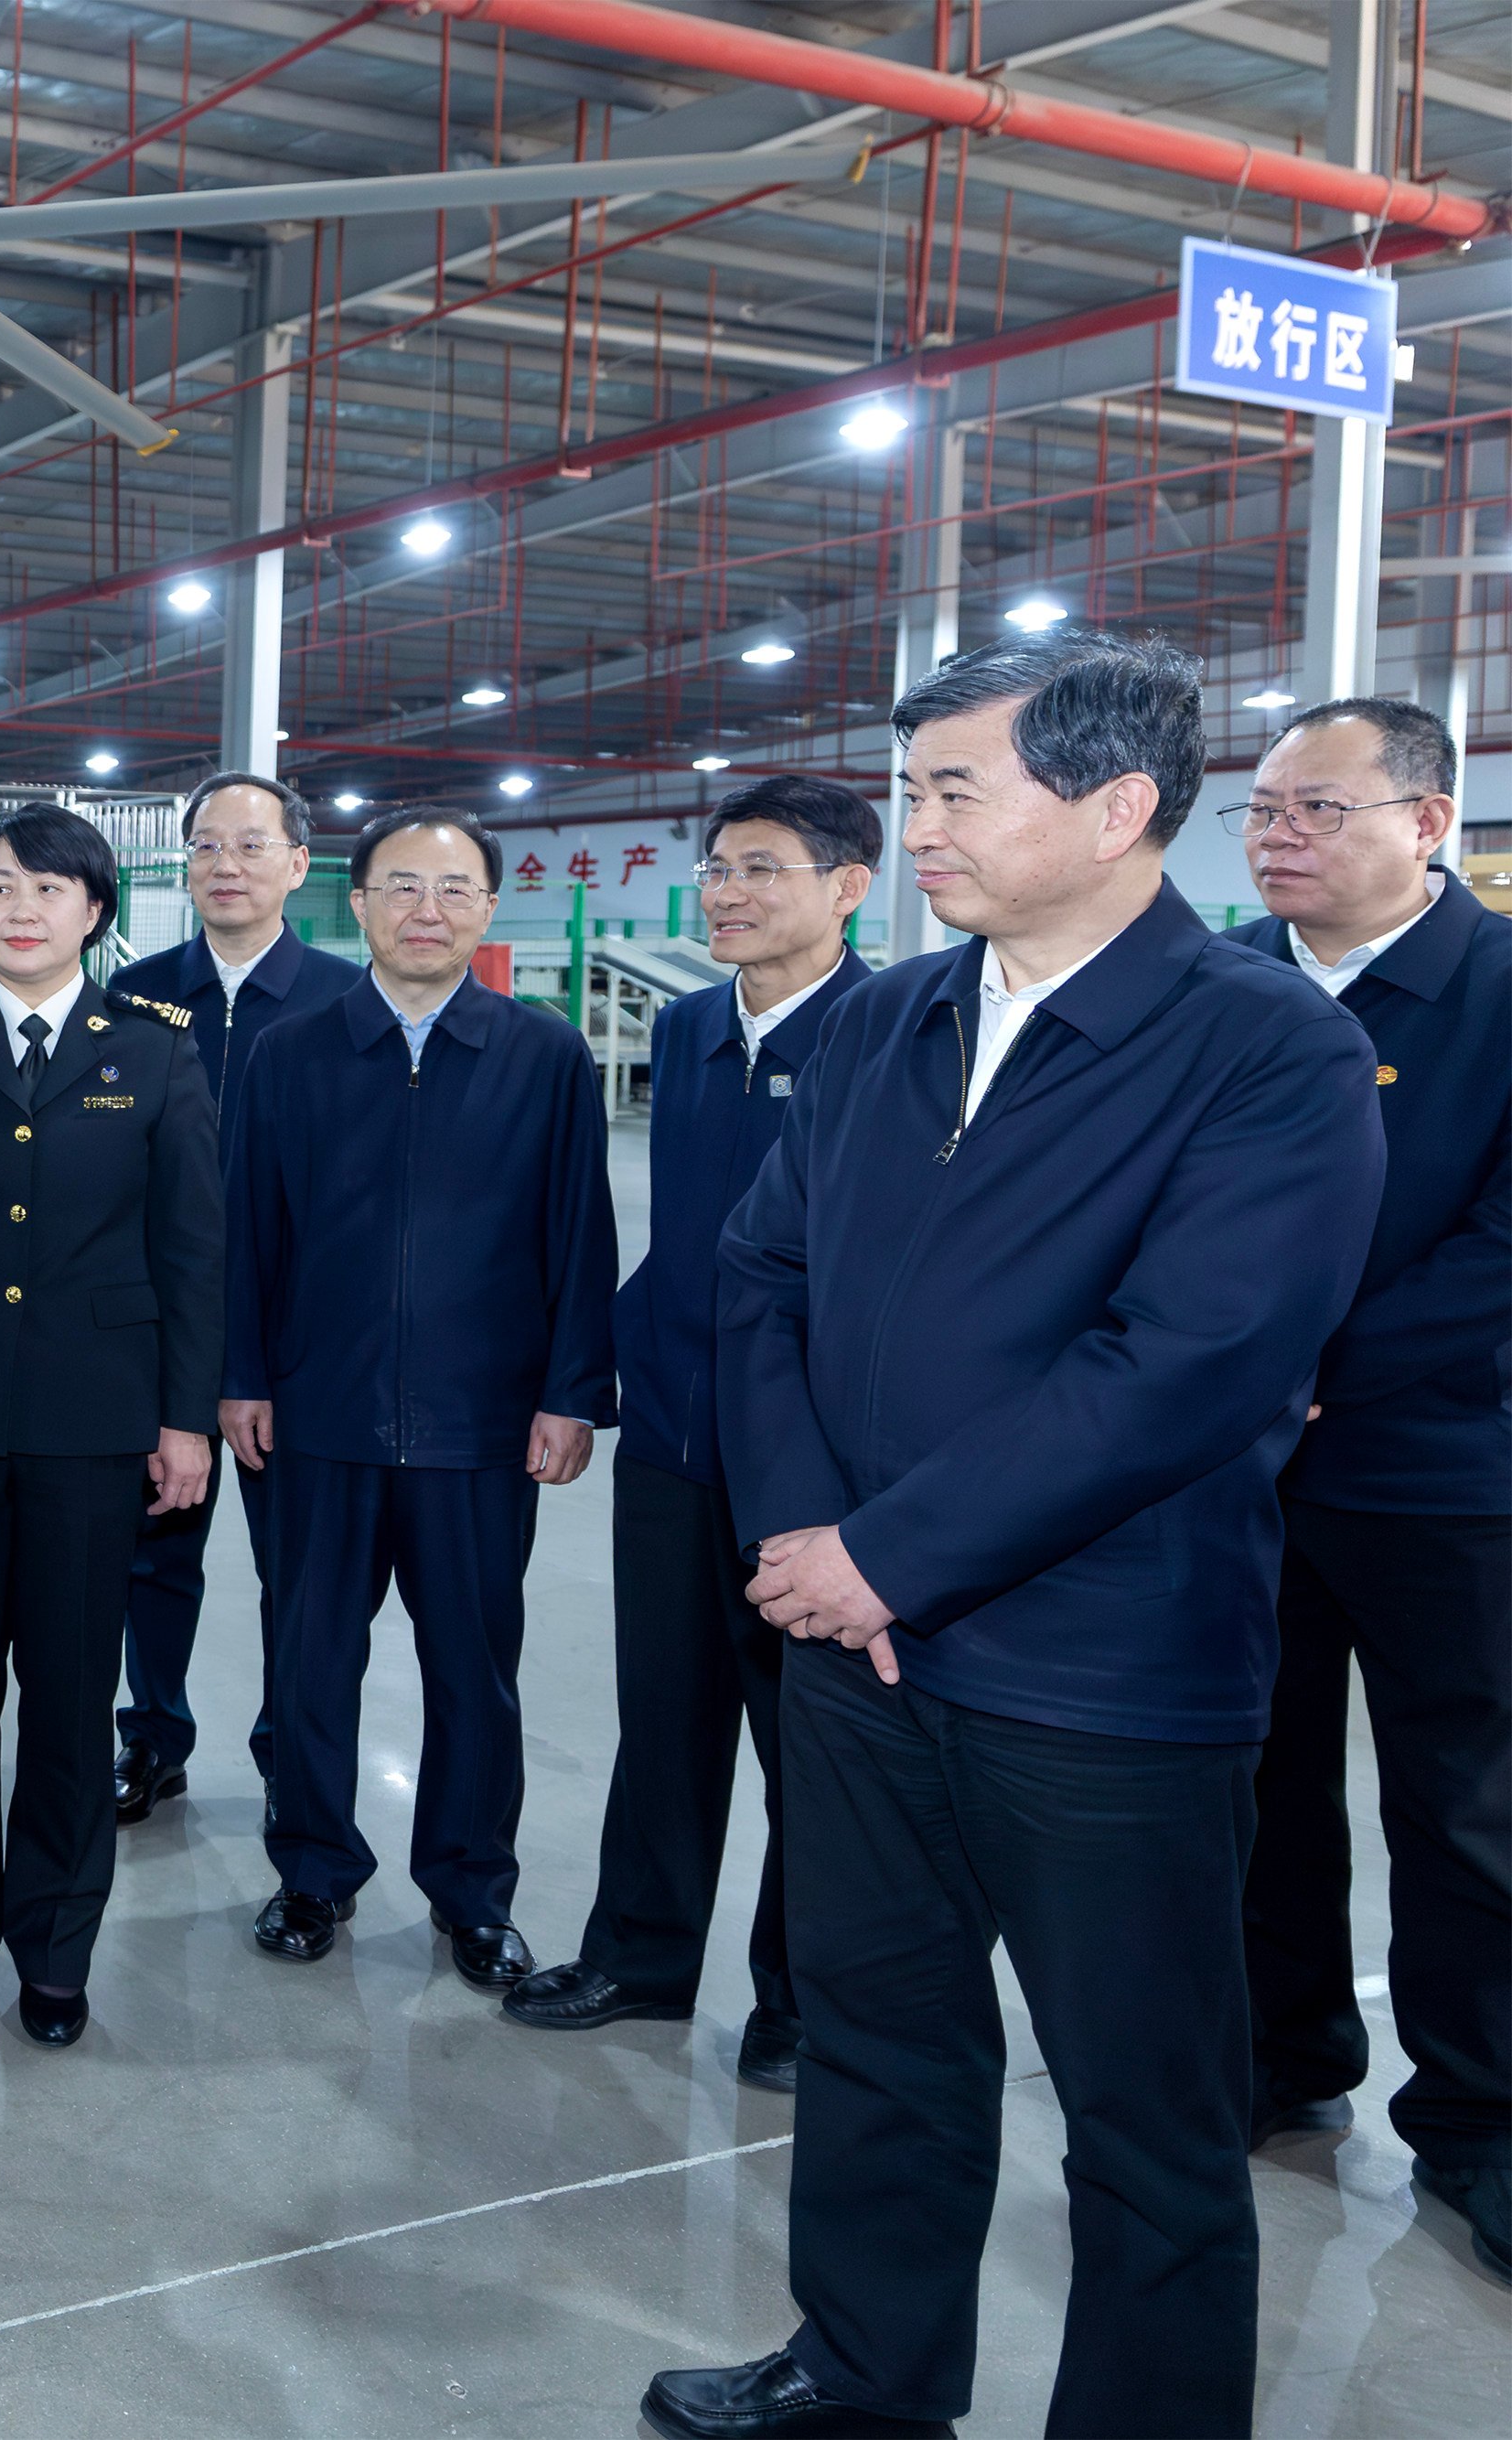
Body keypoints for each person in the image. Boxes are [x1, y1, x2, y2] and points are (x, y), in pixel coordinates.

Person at [649, 625, 1382, 2440]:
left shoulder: (1260, 1048)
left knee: (1143, 2113)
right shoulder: (888, 1018)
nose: (917, 834)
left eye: (952, 791)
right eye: (908, 794)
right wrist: (810, 1533)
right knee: (881, 2048)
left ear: (1116, 803)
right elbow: (756, 1276)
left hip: (1104, 1675)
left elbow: (1189, 1365)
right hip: (850, 1661)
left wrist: (890, 1555)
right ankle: (863, 2372)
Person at [507, 776, 876, 2092]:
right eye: (719, 867)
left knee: (810, 1746)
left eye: (763, 869)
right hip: (675, 1428)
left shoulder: (890, 1034)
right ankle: (642, 1953)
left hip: (812, 1458)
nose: (727, 891)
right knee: (663, 1714)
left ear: (847, 887)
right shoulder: (689, 1023)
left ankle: (802, 1996)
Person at [220, 808, 613, 1989]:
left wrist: (572, 1392)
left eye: (453, 889)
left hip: (481, 1423)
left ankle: (471, 1891)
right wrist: (240, 1374)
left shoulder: (544, 1055)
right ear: (361, 901)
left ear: (488, 908)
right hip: (317, 1414)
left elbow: (578, 1236)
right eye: (401, 886)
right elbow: (244, 1228)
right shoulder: (290, 1050)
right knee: (310, 1659)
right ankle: (313, 1869)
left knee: (473, 1669)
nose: (426, 909)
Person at [1222, 696, 1512, 2284]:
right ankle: (1281, 2050)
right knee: (1255, 1782)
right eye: (1263, 808)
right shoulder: (1218, 992)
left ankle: (1482, 2117)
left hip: (1441, 1470)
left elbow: (1505, 1244)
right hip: (1235, 1472)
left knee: (1465, 1806)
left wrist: (1321, 1360)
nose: (1277, 832)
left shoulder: (1500, 989)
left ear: (1428, 820)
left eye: (1318, 808)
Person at [0, 805, 219, 2048]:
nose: (20, 907)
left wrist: (184, 1415)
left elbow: (194, 1246)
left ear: (97, 908)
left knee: (76, 1702)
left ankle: (57, 1945)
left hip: (98, 1431)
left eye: (49, 887)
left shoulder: (157, 1047)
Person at [102, 770, 355, 1822]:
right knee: (153, 1561)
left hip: (299, 1349)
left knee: (297, 1577)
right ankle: (152, 1738)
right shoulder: (133, 1000)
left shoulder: (349, 1003)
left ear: (298, 865)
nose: (226, 866)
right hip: (157, 1338)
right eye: (206, 847)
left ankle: (284, 1750)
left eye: (250, 847)